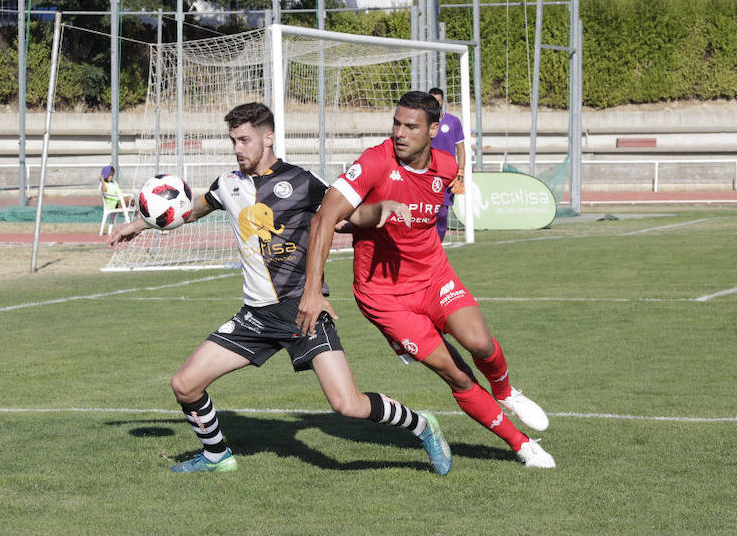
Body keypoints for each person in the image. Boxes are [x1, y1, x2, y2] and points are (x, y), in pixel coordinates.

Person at [108, 102, 453, 474]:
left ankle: (423, 425)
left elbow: (348, 215)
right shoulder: (228, 184)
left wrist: (379, 207)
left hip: (303, 310)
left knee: (347, 404)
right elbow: (188, 210)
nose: (237, 148)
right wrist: (141, 225)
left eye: (244, 140)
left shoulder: (302, 181)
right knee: (185, 385)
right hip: (255, 316)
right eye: (233, 141)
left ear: (268, 137)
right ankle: (216, 455)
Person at [297, 91, 556, 468]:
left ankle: (506, 393)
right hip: (384, 296)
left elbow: (435, 188)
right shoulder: (374, 163)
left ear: (434, 130)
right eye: (396, 124)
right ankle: (521, 444)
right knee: (456, 373)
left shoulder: (447, 167)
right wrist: (312, 291)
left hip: (434, 274)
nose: (400, 133)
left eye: (411, 126)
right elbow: (325, 218)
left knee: (480, 343)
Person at [427, 87, 465, 242]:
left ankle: (437, 247)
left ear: (443, 101)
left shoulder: (453, 121)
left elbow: (460, 148)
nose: (435, 103)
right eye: (432, 100)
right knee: (427, 213)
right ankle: (425, 246)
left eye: (438, 100)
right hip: (428, 173)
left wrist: (460, 172)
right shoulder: (424, 122)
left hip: (447, 174)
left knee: (442, 214)